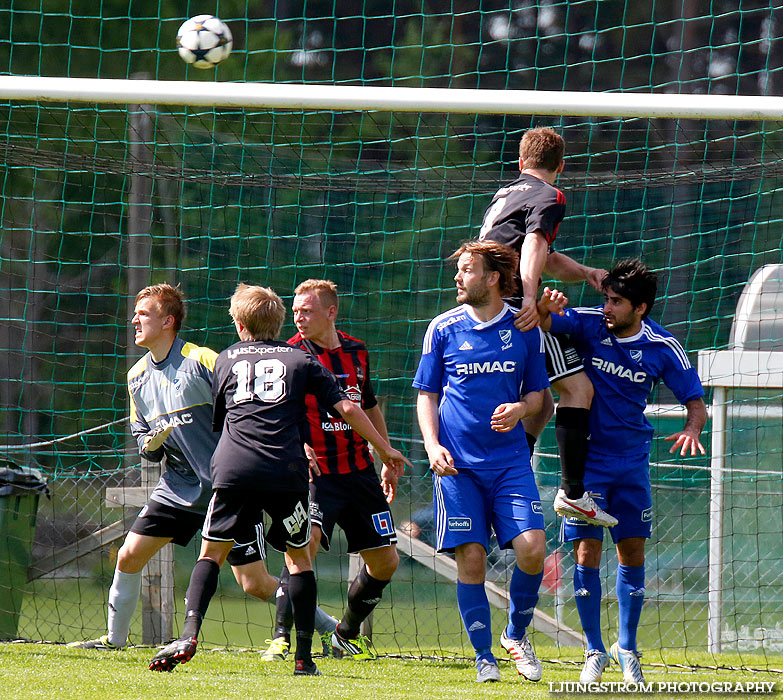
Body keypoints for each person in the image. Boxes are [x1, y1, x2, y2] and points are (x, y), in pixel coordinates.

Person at [148, 284, 410, 676]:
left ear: (238, 322)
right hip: (289, 472)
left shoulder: (224, 360)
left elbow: (224, 419)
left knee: (210, 554)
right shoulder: (299, 359)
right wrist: (386, 449)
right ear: (281, 320)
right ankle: (301, 655)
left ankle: (189, 633)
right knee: (300, 559)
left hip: (237, 468)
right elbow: (350, 408)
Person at [69, 283, 279, 651]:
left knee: (255, 584)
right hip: (178, 485)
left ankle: (330, 628)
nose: (134, 320)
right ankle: (114, 640)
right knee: (129, 555)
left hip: (227, 486)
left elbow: (245, 409)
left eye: (144, 313)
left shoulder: (203, 360)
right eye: (135, 313)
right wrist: (149, 446)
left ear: (168, 321)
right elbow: (143, 441)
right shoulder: (136, 376)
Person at [537, 259, 706, 684]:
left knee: (631, 554)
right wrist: (545, 306)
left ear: (641, 308)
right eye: (606, 299)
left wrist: (690, 428)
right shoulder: (590, 324)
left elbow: (696, 404)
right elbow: (541, 324)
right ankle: (594, 650)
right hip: (588, 465)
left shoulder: (664, 346)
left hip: (632, 465)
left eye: (617, 302)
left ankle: (626, 647)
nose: (607, 307)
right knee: (585, 552)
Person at [413, 240, 550, 684]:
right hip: (457, 466)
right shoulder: (443, 327)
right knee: (471, 557)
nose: (458, 277)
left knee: (532, 548)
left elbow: (537, 395)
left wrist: (521, 410)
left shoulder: (525, 328)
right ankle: (483, 656)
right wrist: (433, 446)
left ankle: (515, 633)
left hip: (510, 462)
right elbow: (427, 395)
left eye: (467, 269)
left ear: (492, 278)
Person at [479, 126, 616, 528]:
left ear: (521, 163)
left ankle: (509, 474)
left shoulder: (508, 194)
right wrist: (527, 300)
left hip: (488, 300)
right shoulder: (550, 195)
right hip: (509, 304)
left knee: (540, 402)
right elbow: (535, 246)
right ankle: (572, 493)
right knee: (578, 388)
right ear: (560, 165)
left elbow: (543, 253)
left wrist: (587, 271)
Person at [261, 279, 403, 662]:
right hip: (314, 474)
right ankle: (280, 638)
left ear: (331, 311)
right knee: (302, 548)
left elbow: (368, 405)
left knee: (386, 561)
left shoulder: (357, 351)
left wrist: (385, 455)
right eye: (295, 311)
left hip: (358, 472)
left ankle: (346, 633)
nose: (298, 317)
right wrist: (298, 444)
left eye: (306, 310)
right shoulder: (290, 354)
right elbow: (277, 413)